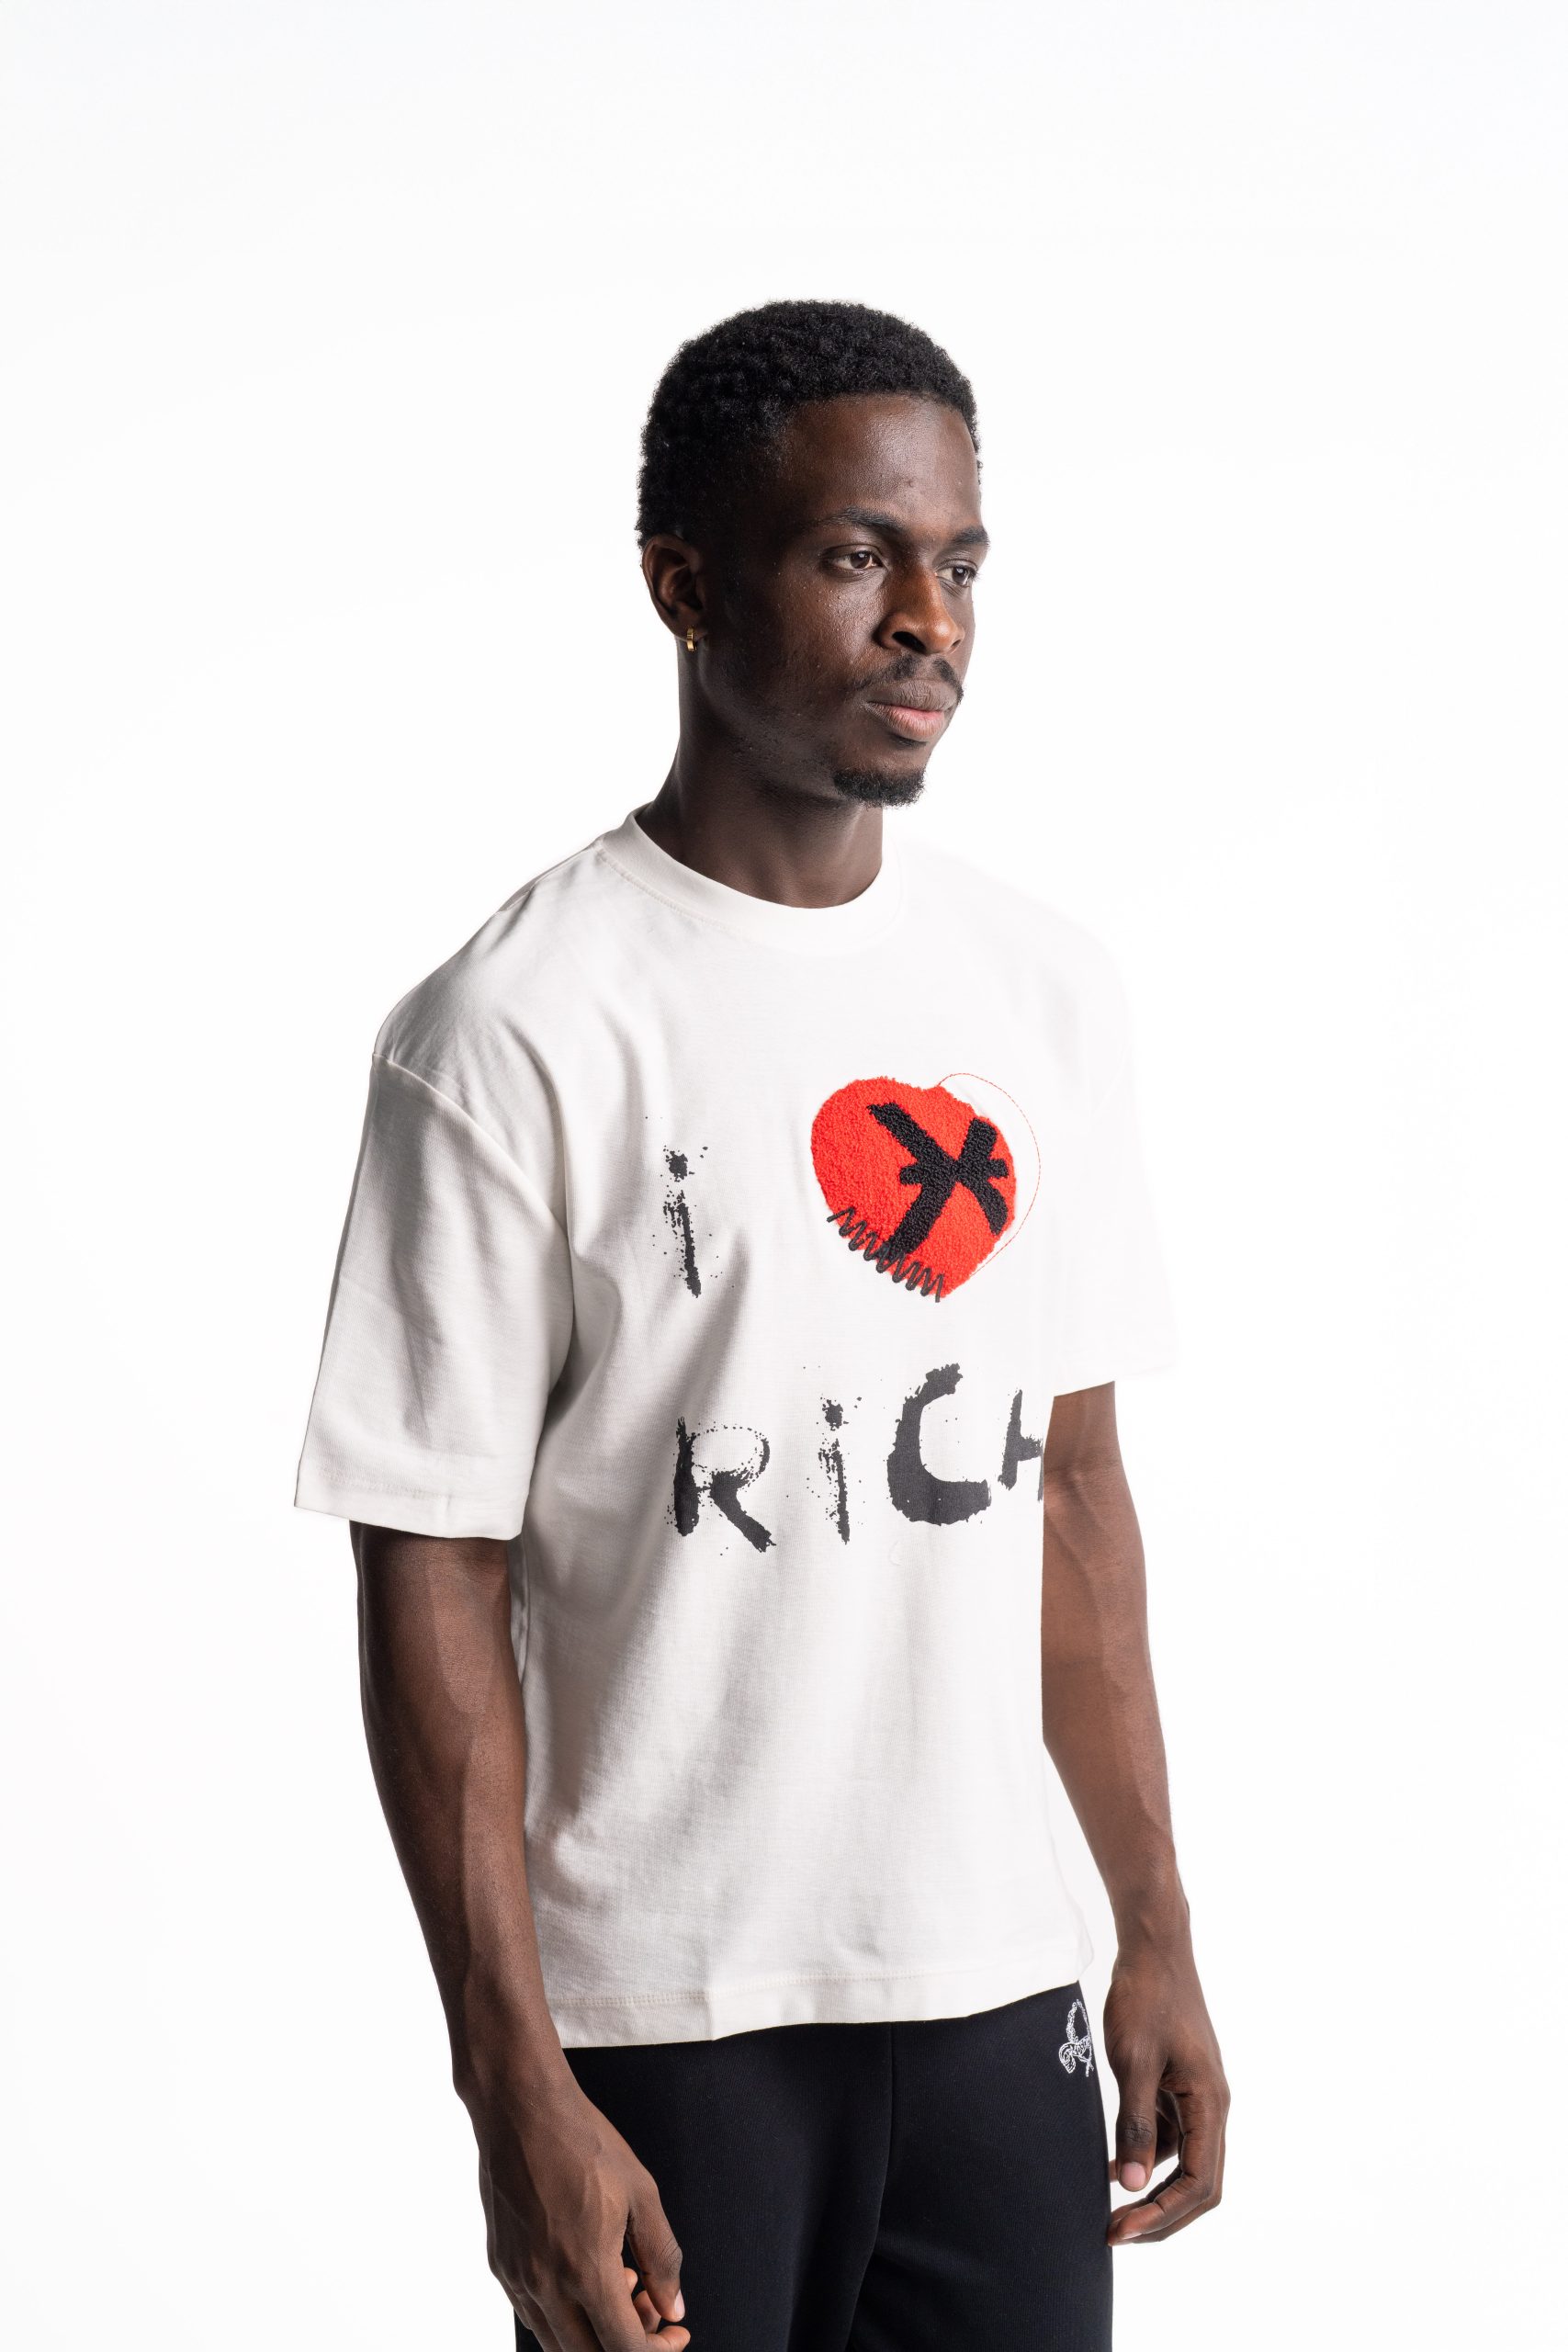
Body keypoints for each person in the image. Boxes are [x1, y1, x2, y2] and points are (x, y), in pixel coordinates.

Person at [296, 299, 1228, 2352]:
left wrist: (1149, 1926)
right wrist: (510, 2083)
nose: (926, 620)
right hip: (668, 2022)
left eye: (958, 562)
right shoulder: (513, 1029)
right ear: (685, 584)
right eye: (852, 554)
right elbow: (430, 1567)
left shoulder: (1039, 990)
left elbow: (1070, 1489)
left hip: (997, 2000)